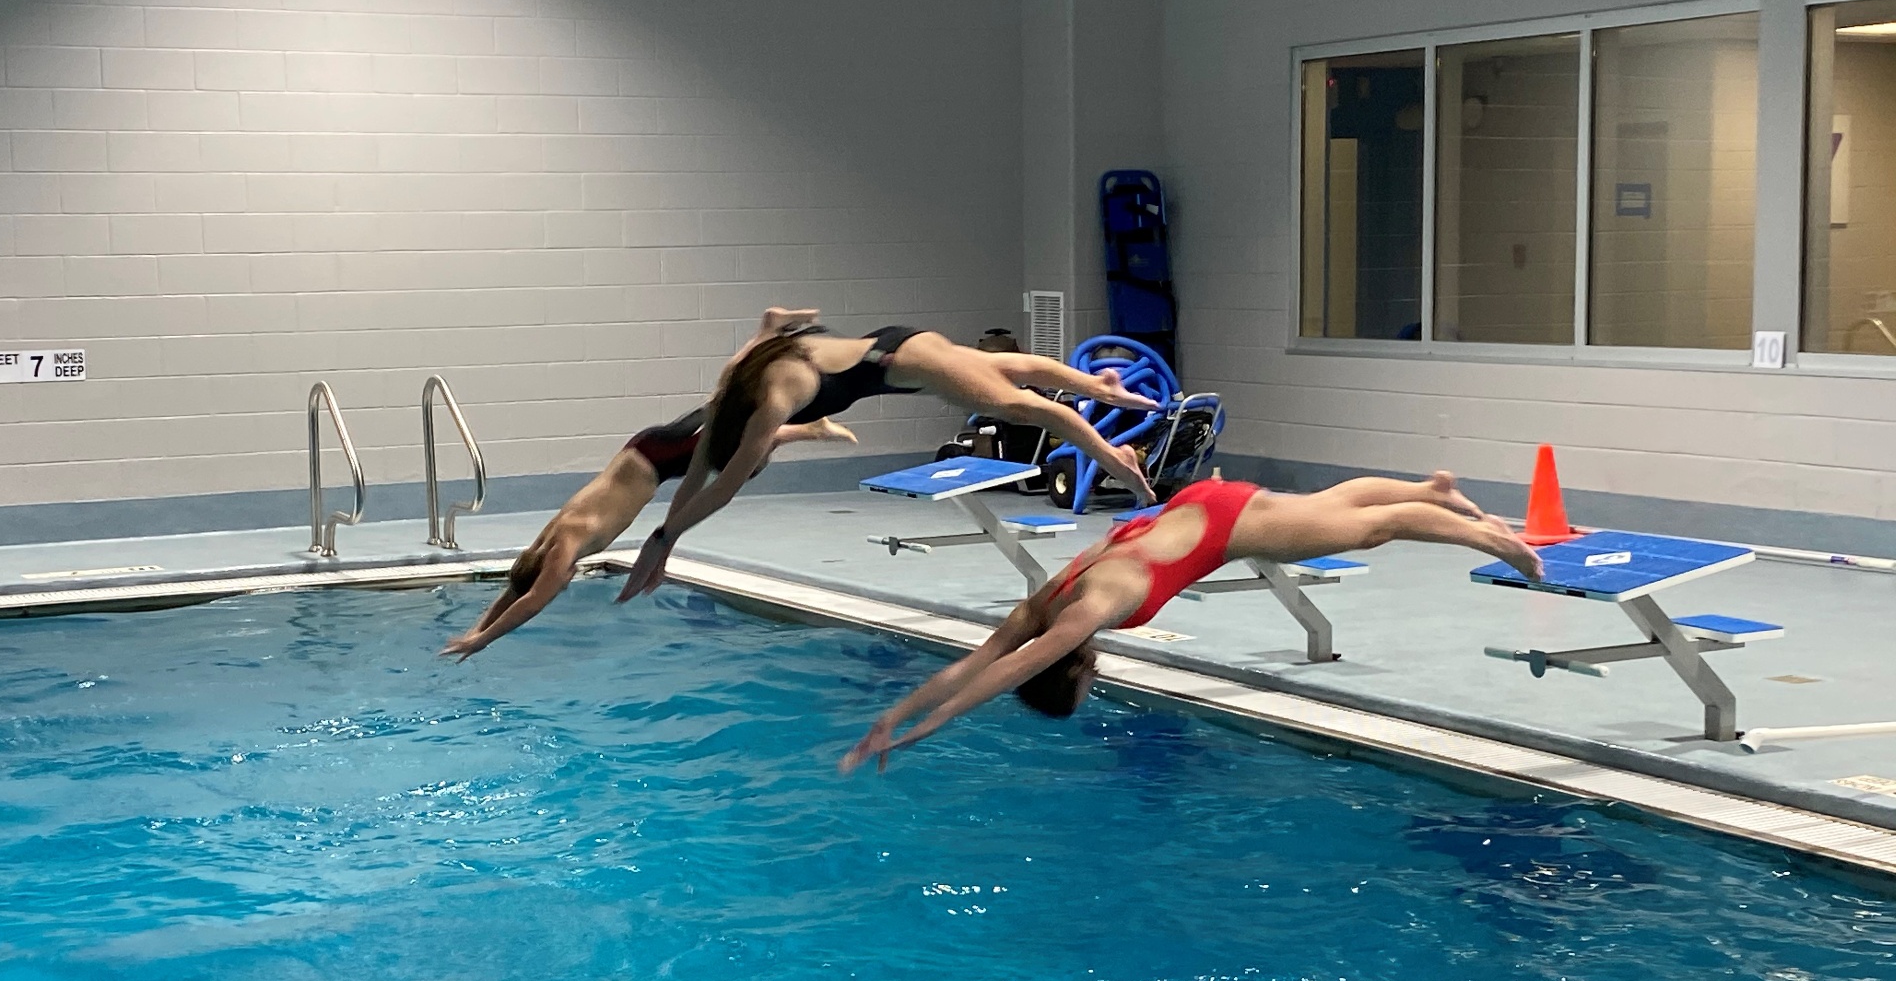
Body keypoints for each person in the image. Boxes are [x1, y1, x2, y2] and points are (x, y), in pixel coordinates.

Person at [839, 470, 1542, 771]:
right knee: (1326, 506)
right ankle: (1431, 490)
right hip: (1197, 505)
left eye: (1085, 685)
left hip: (1223, 528)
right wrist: (893, 716)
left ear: (1071, 670)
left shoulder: (1084, 615)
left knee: (1371, 530)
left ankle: (1488, 538)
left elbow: (1008, 668)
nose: (1094, 679)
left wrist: (932, 724)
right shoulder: (1044, 602)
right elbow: (974, 660)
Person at [617, 322, 1164, 602]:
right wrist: (664, 539)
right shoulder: (726, 397)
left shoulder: (771, 404)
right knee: (1001, 371)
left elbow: (724, 485)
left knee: (1027, 407)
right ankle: (1098, 385)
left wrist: (663, 538)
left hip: (899, 362)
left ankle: (1113, 454)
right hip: (892, 344)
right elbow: (697, 475)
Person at [442, 310, 857, 659]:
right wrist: (475, 628)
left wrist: (483, 641)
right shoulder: (545, 542)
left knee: (745, 461)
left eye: (557, 582)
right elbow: (518, 589)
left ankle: (801, 422)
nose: (562, 585)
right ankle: (768, 337)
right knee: (722, 405)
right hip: (645, 448)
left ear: (552, 572)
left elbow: (531, 600)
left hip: (661, 462)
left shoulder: (565, 549)